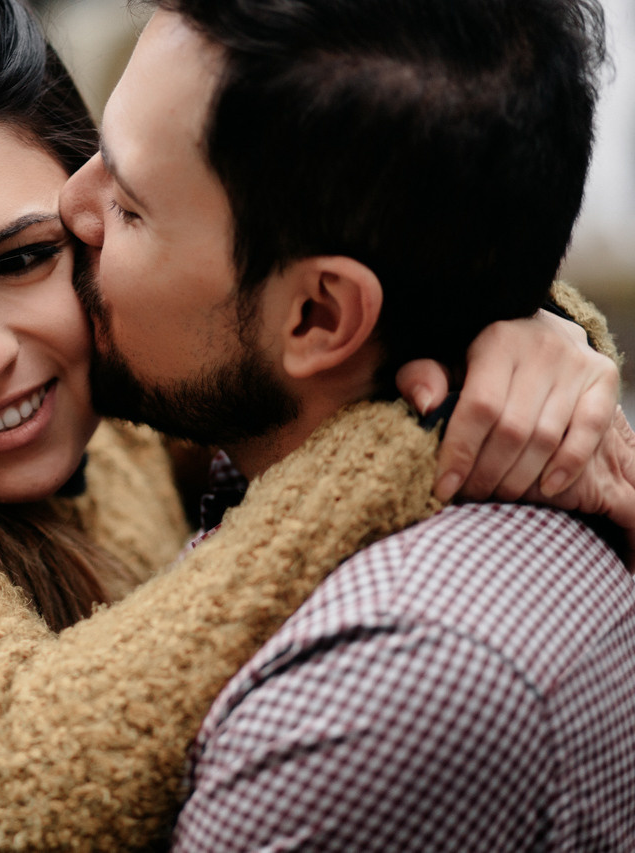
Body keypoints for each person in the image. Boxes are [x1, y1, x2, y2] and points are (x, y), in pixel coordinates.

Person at [0, 0, 629, 850]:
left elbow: (290, 361)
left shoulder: (112, 400)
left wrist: (517, 325)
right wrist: (421, 423)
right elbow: (18, 778)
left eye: (22, 257)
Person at [58, 0, 635, 847]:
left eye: (131, 208)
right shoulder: (297, 460)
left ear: (320, 318)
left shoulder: (383, 682)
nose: (72, 203)